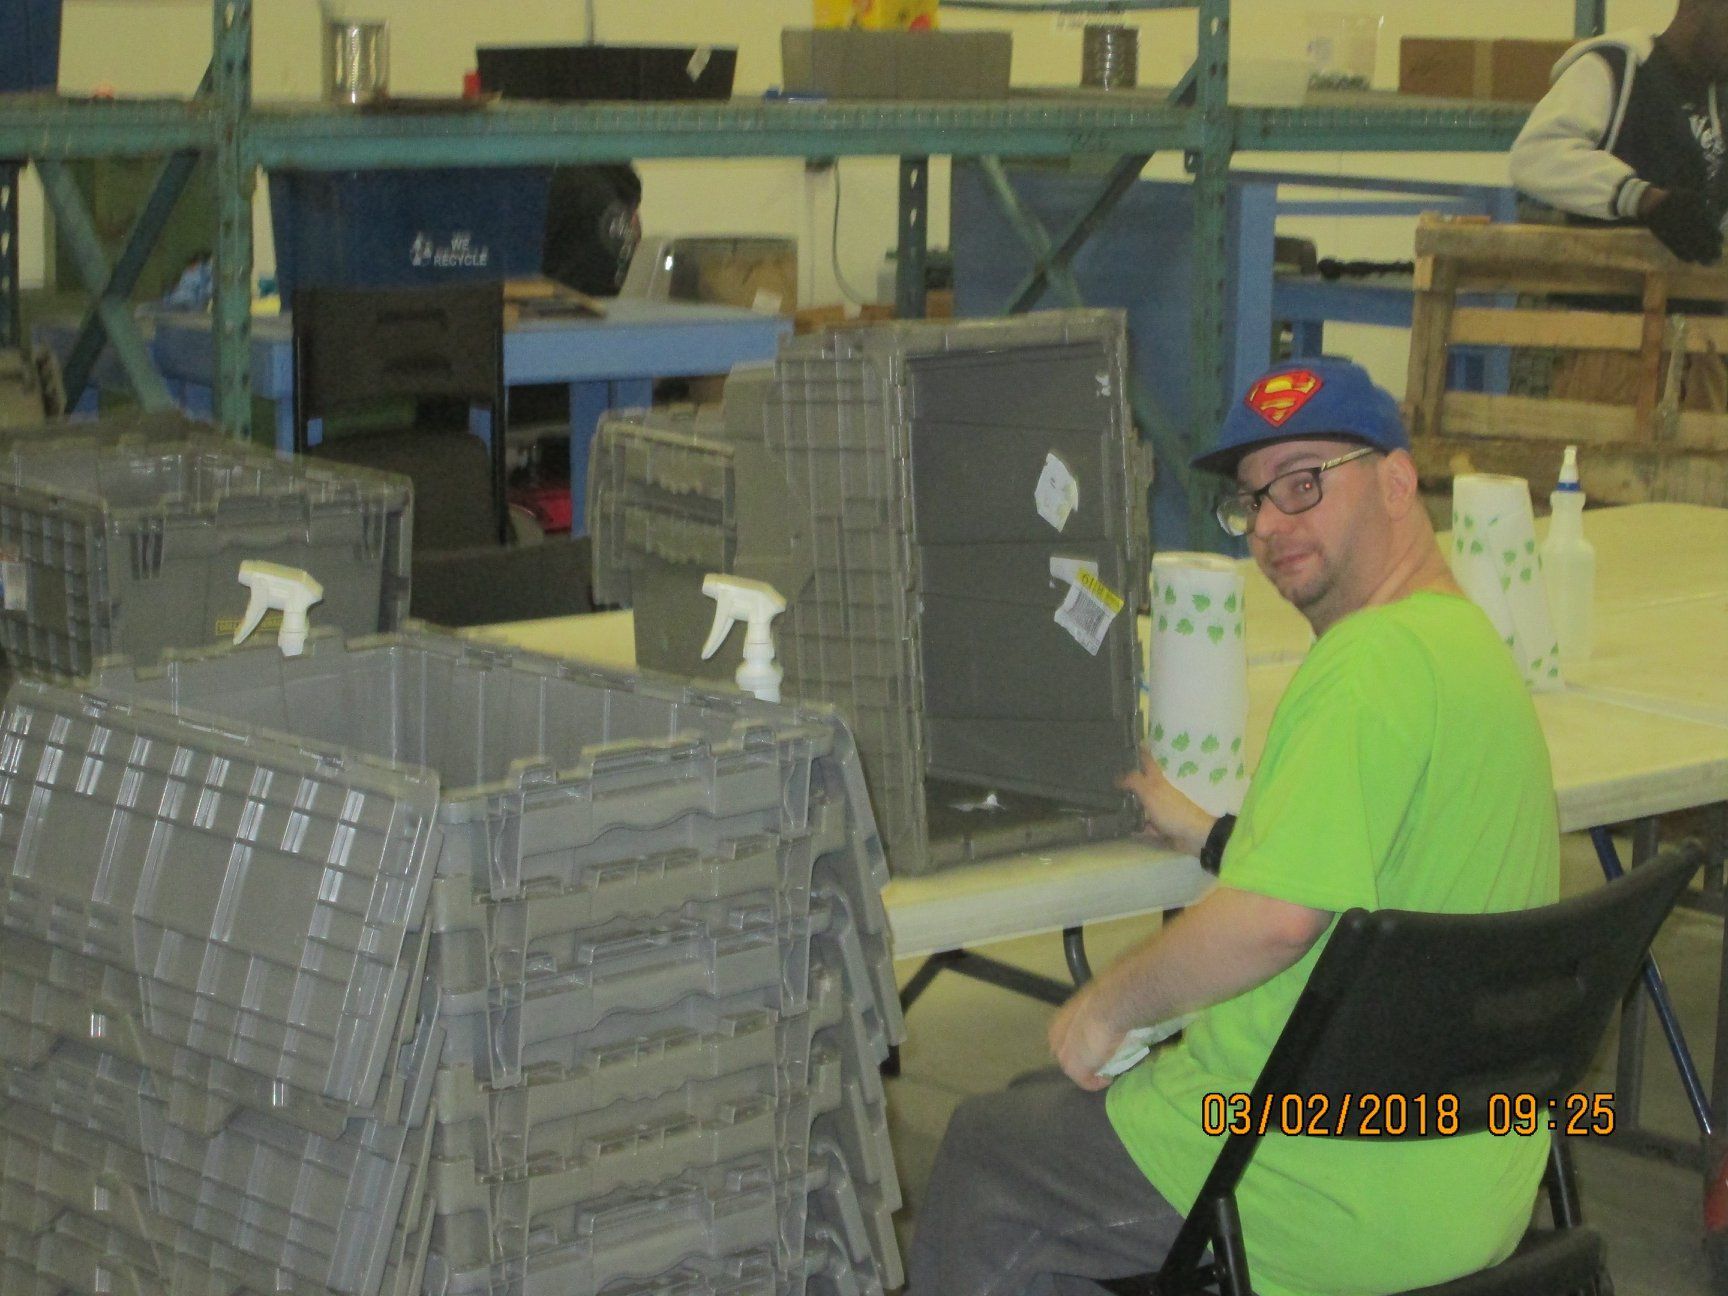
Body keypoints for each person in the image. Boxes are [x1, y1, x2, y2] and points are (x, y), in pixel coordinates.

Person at [906, 358, 1561, 1296]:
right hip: (1470, 1172)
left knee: (986, 1157)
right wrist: (1219, 840)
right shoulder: (1464, 648)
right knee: (1034, 1115)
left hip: (1311, 1172)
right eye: (1253, 500)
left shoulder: (1363, 668)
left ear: (1397, 480)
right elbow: (1363, 871)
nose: (1270, 526)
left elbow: (1279, 919)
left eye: (1304, 485)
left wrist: (1107, 1004)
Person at [1510, 0, 1728, 264]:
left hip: (1690, 298)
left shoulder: (1720, 98)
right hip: (1597, 293)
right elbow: (1535, 156)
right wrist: (1644, 199)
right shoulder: (1616, 67)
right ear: (1694, 7)